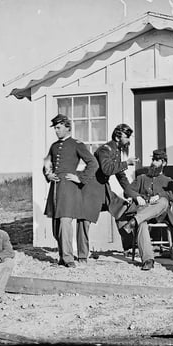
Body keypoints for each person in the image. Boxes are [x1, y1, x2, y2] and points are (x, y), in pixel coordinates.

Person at [43, 114, 98, 267]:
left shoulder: (77, 144)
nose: (56, 130)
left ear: (68, 127)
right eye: (55, 128)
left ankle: (68, 259)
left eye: (58, 127)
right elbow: (46, 162)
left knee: (65, 223)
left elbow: (93, 163)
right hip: (55, 189)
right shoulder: (54, 146)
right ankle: (62, 257)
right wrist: (48, 174)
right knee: (56, 227)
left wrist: (80, 179)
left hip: (68, 189)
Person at [122, 150, 173, 270]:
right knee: (142, 223)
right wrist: (137, 197)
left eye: (157, 160)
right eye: (153, 160)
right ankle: (148, 260)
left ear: (163, 163)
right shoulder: (142, 178)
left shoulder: (167, 180)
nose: (153, 163)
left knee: (164, 201)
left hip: (160, 214)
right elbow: (127, 191)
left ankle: (133, 221)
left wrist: (160, 195)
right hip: (144, 212)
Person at [83, 123, 138, 227]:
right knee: (85, 221)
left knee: (122, 209)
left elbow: (121, 176)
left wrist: (132, 193)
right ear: (118, 137)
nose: (128, 141)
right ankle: (81, 244)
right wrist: (126, 163)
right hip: (91, 189)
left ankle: (128, 242)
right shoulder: (105, 150)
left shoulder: (116, 151)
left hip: (103, 188)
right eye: (127, 137)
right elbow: (107, 170)